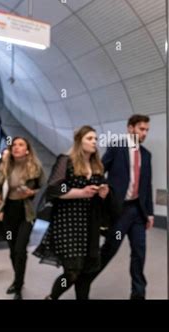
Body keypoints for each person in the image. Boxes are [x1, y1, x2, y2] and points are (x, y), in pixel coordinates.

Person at [36, 125, 112, 300]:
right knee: (72, 272)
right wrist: (81, 192)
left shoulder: (96, 165)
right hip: (67, 222)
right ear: (79, 141)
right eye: (89, 139)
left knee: (85, 272)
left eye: (96, 139)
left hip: (89, 224)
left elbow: (102, 190)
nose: (94, 142)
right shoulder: (65, 161)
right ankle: (52, 297)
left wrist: (103, 192)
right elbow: (54, 190)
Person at [82, 114, 154, 299]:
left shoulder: (146, 155)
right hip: (119, 211)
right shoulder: (117, 148)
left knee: (140, 253)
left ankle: (138, 294)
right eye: (141, 129)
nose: (144, 133)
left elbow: (147, 185)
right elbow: (100, 170)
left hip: (138, 212)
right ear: (130, 128)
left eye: (147, 130)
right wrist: (100, 187)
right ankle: (84, 280)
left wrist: (150, 213)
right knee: (109, 250)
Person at [0, 138, 43, 300]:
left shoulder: (35, 167)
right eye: (14, 145)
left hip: (26, 212)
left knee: (20, 249)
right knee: (13, 250)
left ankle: (18, 285)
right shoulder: (5, 166)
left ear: (27, 150)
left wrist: (32, 193)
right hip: (9, 211)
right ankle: (18, 279)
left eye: (21, 145)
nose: (16, 147)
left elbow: (44, 188)